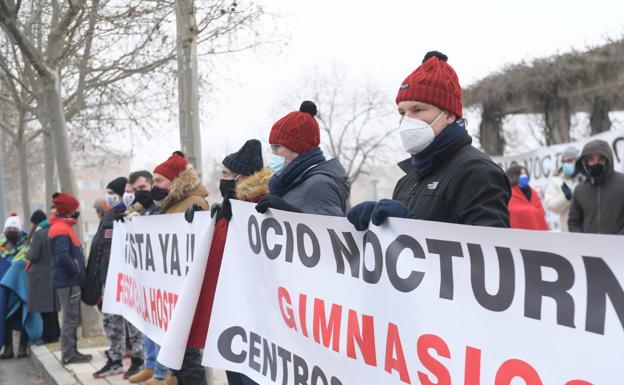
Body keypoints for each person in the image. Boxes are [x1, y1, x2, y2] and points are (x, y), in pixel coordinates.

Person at [347, 51, 510, 230]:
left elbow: (487, 251)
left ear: (449, 114)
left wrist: (412, 230)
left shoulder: (477, 172)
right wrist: (379, 226)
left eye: (417, 110)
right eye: (402, 112)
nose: (406, 120)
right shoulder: (406, 181)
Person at [185, 139, 270, 385]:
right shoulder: (230, 206)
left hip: (248, 310)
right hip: (226, 305)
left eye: (225, 174)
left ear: (241, 177)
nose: (221, 179)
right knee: (233, 371)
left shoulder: (256, 208)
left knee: (249, 376)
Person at [153, 151, 209, 385]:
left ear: (175, 181)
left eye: (159, 180)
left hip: (187, 293)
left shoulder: (193, 204)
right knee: (180, 358)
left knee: (188, 358)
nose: (154, 185)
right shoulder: (171, 204)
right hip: (174, 291)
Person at [255, 101, 350, 216]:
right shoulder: (293, 182)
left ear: (296, 148)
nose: (273, 153)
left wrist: (290, 214)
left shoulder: (319, 185)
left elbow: (328, 230)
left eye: (277, 147)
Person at [92, 177, 145, 379]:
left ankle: (139, 359)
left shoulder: (135, 214)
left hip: (130, 278)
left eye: (112, 193)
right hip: (109, 277)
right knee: (111, 321)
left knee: (133, 321)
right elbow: (100, 247)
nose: (109, 197)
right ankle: (115, 359)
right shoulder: (109, 215)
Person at [125, 170, 172, 385]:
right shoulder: (143, 210)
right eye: (135, 190)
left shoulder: (161, 206)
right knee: (148, 325)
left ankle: (161, 373)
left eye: (142, 188)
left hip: (163, 279)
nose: (140, 193)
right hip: (146, 280)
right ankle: (151, 366)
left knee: (161, 326)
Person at [48, 193, 92, 365]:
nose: (77, 212)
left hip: (68, 281)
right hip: (68, 282)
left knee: (71, 317)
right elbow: (62, 256)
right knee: (70, 318)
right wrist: (76, 271)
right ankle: (68, 354)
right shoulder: (60, 229)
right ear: (68, 210)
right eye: (74, 209)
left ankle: (72, 351)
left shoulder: (62, 226)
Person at [568, 139, 624, 234]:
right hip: (587, 247)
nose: (596, 163)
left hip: (619, 246)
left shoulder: (622, 183)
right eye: (591, 159)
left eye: (600, 159)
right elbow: (574, 221)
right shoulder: (580, 190)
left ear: (608, 160)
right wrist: (583, 241)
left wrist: (617, 240)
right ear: (585, 162)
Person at [25, 210, 60, 344]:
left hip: (40, 276)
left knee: (45, 310)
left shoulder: (39, 234)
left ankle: (49, 337)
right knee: (52, 308)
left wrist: (27, 252)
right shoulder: (53, 231)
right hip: (53, 273)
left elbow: (33, 255)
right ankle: (56, 333)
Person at [0, 213, 29, 358]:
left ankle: (23, 347)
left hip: (22, 288)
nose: (11, 230)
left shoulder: (26, 244)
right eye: (9, 227)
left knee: (24, 314)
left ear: (19, 230)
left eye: (14, 227)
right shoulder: (0, 246)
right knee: (6, 318)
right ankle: (8, 348)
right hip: (4, 289)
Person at [543, 147, 583, 231]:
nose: (566, 164)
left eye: (569, 161)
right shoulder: (556, 180)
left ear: (577, 161)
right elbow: (551, 206)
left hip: (588, 229)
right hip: (568, 230)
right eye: (564, 162)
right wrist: (565, 198)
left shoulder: (586, 178)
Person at [506, 165, 549, 230]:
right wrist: (531, 211)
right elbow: (512, 210)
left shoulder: (533, 192)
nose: (524, 176)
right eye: (521, 174)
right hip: (519, 231)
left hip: (537, 230)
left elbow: (541, 210)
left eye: (525, 173)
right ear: (513, 176)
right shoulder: (509, 192)